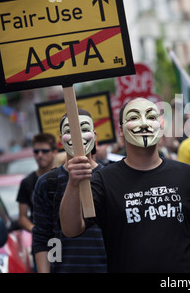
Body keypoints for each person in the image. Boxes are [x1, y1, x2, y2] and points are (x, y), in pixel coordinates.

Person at [59, 98, 190, 273]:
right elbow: (71, 229)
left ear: (160, 126)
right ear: (121, 130)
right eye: (134, 118)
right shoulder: (103, 180)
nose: (144, 124)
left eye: (151, 117)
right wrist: (74, 183)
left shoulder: (187, 175)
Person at [32, 109, 107, 273]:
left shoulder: (111, 177)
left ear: (94, 136)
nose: (77, 135)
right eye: (69, 131)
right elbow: (42, 238)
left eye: (84, 129)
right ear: (61, 140)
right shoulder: (46, 183)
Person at [16, 133, 58, 233]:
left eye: (44, 151)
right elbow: (22, 218)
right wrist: (36, 231)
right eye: (36, 151)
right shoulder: (27, 182)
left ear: (54, 152)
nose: (40, 155)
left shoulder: (63, 177)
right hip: (41, 242)